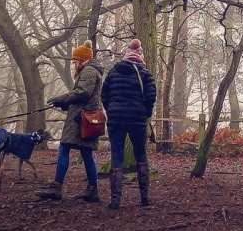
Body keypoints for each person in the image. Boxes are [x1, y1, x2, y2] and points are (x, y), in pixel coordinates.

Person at [37, 41, 104, 202]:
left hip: (81, 120)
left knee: (65, 148)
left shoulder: (88, 71)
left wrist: (63, 99)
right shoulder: (90, 70)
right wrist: (65, 103)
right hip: (82, 117)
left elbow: (82, 93)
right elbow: (83, 96)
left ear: (82, 60)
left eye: (75, 61)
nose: (73, 64)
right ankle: (92, 190)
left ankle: (57, 187)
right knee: (86, 153)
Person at [101, 38, 156, 209]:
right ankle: (144, 198)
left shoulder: (114, 71)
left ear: (126, 54)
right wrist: (145, 113)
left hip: (116, 119)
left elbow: (104, 94)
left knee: (117, 155)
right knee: (140, 154)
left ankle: (115, 200)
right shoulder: (144, 73)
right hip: (137, 119)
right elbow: (151, 96)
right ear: (139, 54)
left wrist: (111, 111)